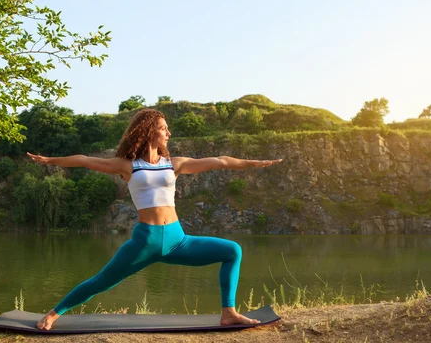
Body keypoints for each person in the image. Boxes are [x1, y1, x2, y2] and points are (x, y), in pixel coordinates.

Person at [27, 108, 283, 330]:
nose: (168, 133)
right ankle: (53, 313)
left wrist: (253, 162)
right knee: (101, 282)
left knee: (232, 251)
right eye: (164, 128)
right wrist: (49, 160)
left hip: (177, 240)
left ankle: (228, 312)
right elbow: (85, 160)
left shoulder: (174, 163)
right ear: (149, 131)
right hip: (144, 242)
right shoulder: (128, 166)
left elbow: (221, 161)